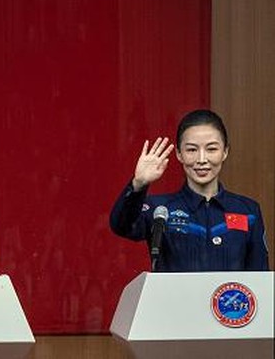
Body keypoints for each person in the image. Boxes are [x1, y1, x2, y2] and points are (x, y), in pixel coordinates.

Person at [110, 109, 269, 271]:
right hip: (172, 297)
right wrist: (138, 184)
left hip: (229, 297)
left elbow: (260, 278)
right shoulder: (160, 210)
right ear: (179, 154)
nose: (201, 160)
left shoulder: (247, 211)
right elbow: (122, 226)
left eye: (211, 149)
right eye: (192, 150)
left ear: (225, 152)